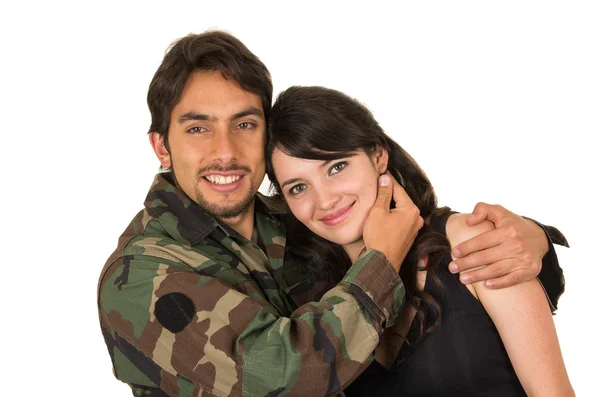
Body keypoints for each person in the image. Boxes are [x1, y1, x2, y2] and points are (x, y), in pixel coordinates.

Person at [97, 30, 568, 397]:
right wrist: (382, 259)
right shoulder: (140, 276)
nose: (226, 151)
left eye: (244, 124)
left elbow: (473, 269)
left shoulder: (296, 223)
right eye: (198, 128)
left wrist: (531, 238)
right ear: (161, 146)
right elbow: (285, 377)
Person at [265, 85, 574, 396]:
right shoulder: (318, 300)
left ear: (378, 156)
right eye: (298, 188)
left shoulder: (472, 242)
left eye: (336, 167)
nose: (325, 200)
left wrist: (540, 236)